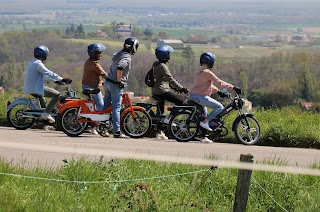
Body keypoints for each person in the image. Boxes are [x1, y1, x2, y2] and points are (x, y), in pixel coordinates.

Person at [189, 52, 241, 143]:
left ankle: (203, 136)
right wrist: (233, 87)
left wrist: (219, 92)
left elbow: (207, 86)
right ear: (211, 61)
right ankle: (205, 122)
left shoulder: (199, 72)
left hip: (194, 96)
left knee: (205, 115)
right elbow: (220, 82)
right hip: (200, 97)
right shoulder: (208, 73)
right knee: (219, 107)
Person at [24, 45, 72, 123]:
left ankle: (43, 119)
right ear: (43, 54)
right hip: (35, 88)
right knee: (57, 95)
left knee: (44, 106)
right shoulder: (38, 64)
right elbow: (48, 73)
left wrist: (56, 81)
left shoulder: (33, 62)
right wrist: (61, 79)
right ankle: (46, 114)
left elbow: (42, 76)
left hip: (31, 87)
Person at [103, 37, 139, 138]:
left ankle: (103, 127)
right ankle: (117, 132)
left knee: (105, 107)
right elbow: (120, 67)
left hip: (108, 83)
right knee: (116, 108)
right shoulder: (127, 56)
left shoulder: (119, 53)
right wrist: (120, 81)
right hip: (115, 85)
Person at [151, 45, 188, 140]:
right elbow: (170, 79)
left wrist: (174, 88)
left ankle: (159, 133)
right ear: (165, 55)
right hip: (162, 91)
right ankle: (169, 119)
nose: (169, 55)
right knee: (180, 102)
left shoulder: (156, 65)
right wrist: (181, 88)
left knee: (160, 112)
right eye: (168, 54)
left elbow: (164, 80)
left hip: (156, 91)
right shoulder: (163, 66)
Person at [82, 43, 108, 135]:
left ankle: (92, 126)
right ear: (94, 53)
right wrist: (114, 80)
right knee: (101, 107)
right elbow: (104, 74)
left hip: (87, 86)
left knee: (93, 108)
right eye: (99, 53)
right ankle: (101, 128)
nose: (101, 54)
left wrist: (101, 82)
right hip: (92, 88)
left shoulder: (89, 61)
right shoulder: (94, 64)